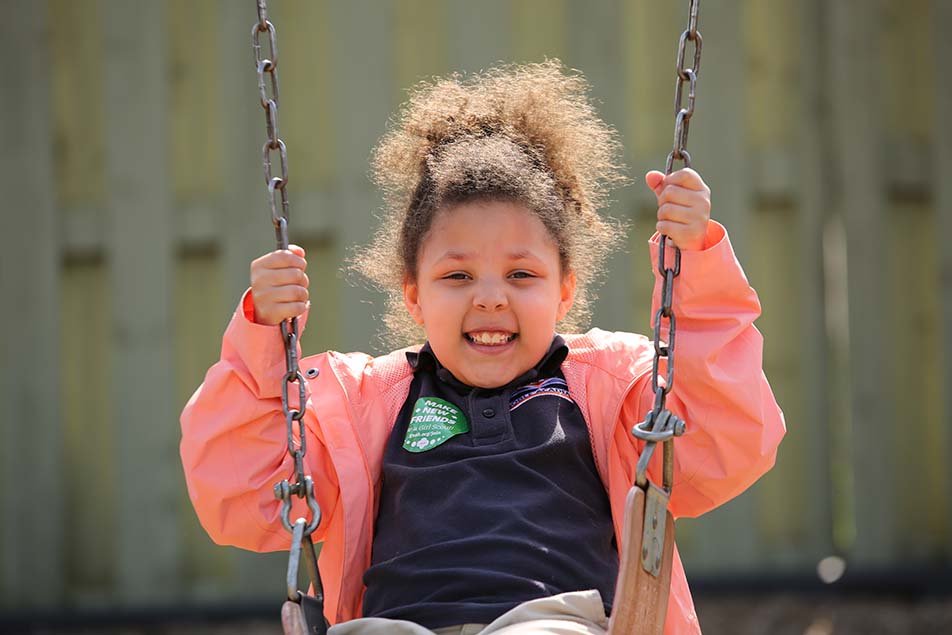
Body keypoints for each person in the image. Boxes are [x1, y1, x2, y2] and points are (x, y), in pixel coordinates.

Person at [180, 61, 785, 635]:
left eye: (521, 275)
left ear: (564, 290)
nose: (491, 298)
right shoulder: (365, 406)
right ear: (414, 297)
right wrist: (263, 335)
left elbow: (725, 438)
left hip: (555, 619)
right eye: (458, 276)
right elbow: (244, 493)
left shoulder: (608, 389)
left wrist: (695, 261)